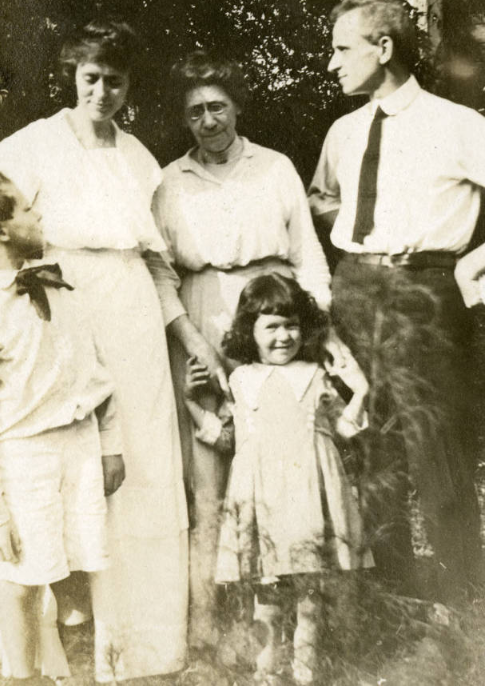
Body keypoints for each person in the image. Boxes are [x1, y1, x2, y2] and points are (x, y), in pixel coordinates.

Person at [0, 20, 188, 683]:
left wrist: (188, 340)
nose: (102, 91)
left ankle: (138, 647)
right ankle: (36, 650)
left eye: (115, 79)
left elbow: (159, 263)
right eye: (91, 77)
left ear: (129, 84)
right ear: (72, 77)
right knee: (48, 471)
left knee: (134, 469)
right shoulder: (30, 146)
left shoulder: (140, 158)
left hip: (131, 317)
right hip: (56, 309)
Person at [152, 51, 337, 648]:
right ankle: (208, 624)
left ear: (236, 108)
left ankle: (295, 625)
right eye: (196, 112)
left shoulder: (275, 167)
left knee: (283, 474)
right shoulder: (169, 181)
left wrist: (315, 333)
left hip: (273, 321)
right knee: (208, 475)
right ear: (185, 120)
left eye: (218, 107)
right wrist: (191, 338)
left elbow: (309, 256)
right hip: (202, 316)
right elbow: (159, 271)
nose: (208, 121)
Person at [308, 0, 484, 602]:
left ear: (383, 49)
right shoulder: (343, 131)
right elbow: (321, 198)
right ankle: (396, 586)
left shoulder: (458, 125)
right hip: (356, 287)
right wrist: (362, 236)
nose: (331, 64)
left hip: (424, 293)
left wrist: (474, 261)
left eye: (342, 49)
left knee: (435, 441)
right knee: (369, 436)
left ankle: (465, 597)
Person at [0, 169, 124, 685]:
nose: (39, 215)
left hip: (81, 449)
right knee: (21, 579)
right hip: (23, 459)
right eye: (27, 209)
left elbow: (98, 372)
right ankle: (20, 677)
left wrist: (109, 443)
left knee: (80, 565)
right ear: (0, 231)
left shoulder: (61, 286)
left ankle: (77, 671)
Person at [184, 273, 373, 684]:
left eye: (291, 325)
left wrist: (359, 392)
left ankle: (305, 672)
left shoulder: (315, 376)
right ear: (250, 332)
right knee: (266, 600)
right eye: (271, 326)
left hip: (306, 499)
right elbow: (226, 437)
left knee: (308, 598)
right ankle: (266, 674)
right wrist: (193, 403)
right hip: (263, 503)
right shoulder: (240, 380)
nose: (284, 336)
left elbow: (343, 430)